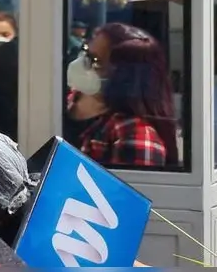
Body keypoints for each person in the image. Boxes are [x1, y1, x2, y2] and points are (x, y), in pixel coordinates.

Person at [66, 22, 179, 169]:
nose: (81, 63)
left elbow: (126, 190)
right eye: (85, 52)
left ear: (123, 76)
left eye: (95, 60)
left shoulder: (134, 133)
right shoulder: (63, 100)